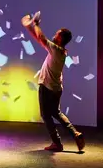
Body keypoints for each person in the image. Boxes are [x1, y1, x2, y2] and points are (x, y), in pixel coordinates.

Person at [22, 12, 85, 153]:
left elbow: (42, 38)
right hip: (56, 88)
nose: (54, 34)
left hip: (47, 87)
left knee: (46, 115)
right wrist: (29, 26)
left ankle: (57, 143)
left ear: (61, 38)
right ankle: (75, 134)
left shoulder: (55, 50)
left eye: (57, 33)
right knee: (56, 112)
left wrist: (36, 24)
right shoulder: (61, 51)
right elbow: (40, 39)